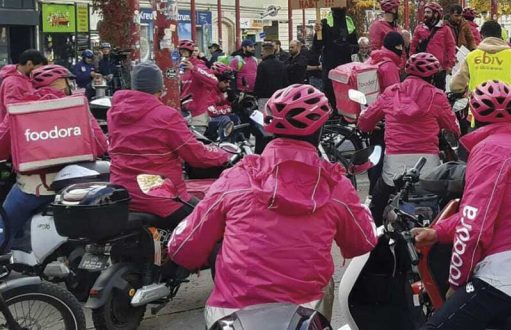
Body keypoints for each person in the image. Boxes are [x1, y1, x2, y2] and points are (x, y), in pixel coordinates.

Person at [169, 84, 376, 327]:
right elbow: (362, 241)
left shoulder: (235, 179)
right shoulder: (336, 186)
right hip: (305, 311)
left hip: (231, 311)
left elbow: (183, 248)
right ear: (321, 130)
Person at [412, 81, 511, 330]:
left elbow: (473, 227)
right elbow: (488, 212)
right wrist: (439, 232)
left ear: (472, 114)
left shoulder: (489, 150)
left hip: (505, 274)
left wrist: (456, 285)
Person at [107, 63, 231, 227]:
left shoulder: (114, 113)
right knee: (211, 222)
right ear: (159, 87)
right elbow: (197, 155)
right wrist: (223, 155)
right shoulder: (166, 116)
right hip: (161, 198)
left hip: (123, 195)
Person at [0, 65, 107, 245]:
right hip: (73, 189)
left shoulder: (19, 110)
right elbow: (101, 146)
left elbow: (2, 146)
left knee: (5, 225)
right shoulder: (77, 106)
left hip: (32, 189)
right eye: (68, 81)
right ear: (59, 83)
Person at [356, 53, 459, 223]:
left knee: (377, 205)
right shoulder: (437, 96)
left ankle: (374, 239)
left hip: (394, 170)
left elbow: (365, 122)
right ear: (433, 76)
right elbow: (453, 129)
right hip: (428, 167)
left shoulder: (391, 93)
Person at [449, 20, 511, 104]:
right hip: (506, 109)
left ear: (481, 35)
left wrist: (467, 92)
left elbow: (455, 85)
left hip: (477, 108)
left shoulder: (471, 56)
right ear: (500, 35)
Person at [315, 6, 359, 106]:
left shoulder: (349, 22)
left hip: (345, 66)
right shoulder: (325, 23)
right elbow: (317, 46)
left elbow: (356, 46)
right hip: (330, 66)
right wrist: (317, 33)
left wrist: (347, 47)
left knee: (345, 91)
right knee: (330, 90)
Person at [411, 2, 458, 90]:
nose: (425, 15)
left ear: (436, 14)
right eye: (425, 12)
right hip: (422, 68)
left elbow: (451, 47)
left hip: (439, 69)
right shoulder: (419, 28)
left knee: (439, 92)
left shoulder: (445, 29)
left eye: (428, 12)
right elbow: (413, 47)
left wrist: (450, 65)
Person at [180, 44, 221, 131]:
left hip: (198, 114)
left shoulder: (200, 66)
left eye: (195, 51)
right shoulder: (178, 68)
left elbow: (214, 81)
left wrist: (194, 69)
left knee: (195, 141)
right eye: (182, 52)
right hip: (182, 114)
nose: (184, 55)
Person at [0, 49, 47, 119]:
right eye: (39, 68)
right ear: (29, 64)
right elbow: (14, 109)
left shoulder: (24, 78)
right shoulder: (12, 83)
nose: (40, 72)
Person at [254, 42, 289, 109]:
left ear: (265, 52)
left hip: (264, 97)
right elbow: (285, 81)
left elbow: (259, 82)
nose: (261, 54)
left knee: (264, 116)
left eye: (262, 52)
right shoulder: (281, 64)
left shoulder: (262, 65)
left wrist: (256, 94)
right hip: (278, 97)